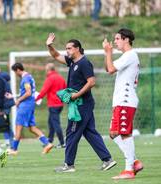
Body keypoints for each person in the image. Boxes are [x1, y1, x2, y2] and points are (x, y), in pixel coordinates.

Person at [46, 33, 117, 173]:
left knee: (71, 133)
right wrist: (49, 45)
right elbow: (55, 56)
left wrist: (76, 95)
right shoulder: (72, 61)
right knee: (90, 132)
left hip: (81, 104)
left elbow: (91, 82)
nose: (67, 51)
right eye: (66, 48)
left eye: (70, 48)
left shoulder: (84, 63)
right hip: (83, 104)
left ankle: (69, 165)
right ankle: (107, 160)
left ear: (77, 48)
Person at [103, 28, 144, 179]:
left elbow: (111, 69)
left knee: (125, 133)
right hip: (121, 100)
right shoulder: (126, 56)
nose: (115, 42)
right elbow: (109, 67)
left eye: (118, 38)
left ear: (126, 39)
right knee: (114, 133)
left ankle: (129, 169)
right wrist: (107, 53)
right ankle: (135, 162)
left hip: (126, 100)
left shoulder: (130, 55)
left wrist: (108, 53)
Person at [7, 63, 54, 155]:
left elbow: (28, 93)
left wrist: (18, 100)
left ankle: (14, 149)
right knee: (32, 128)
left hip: (25, 105)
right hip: (30, 104)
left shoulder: (25, 79)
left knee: (18, 126)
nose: (16, 74)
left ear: (18, 70)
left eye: (15, 72)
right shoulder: (30, 76)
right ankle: (47, 143)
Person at [35, 63, 67, 148]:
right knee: (51, 122)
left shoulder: (50, 78)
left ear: (48, 70)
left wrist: (36, 99)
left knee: (56, 123)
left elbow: (44, 90)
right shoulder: (60, 78)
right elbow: (65, 89)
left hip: (53, 104)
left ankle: (62, 142)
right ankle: (49, 141)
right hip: (60, 104)